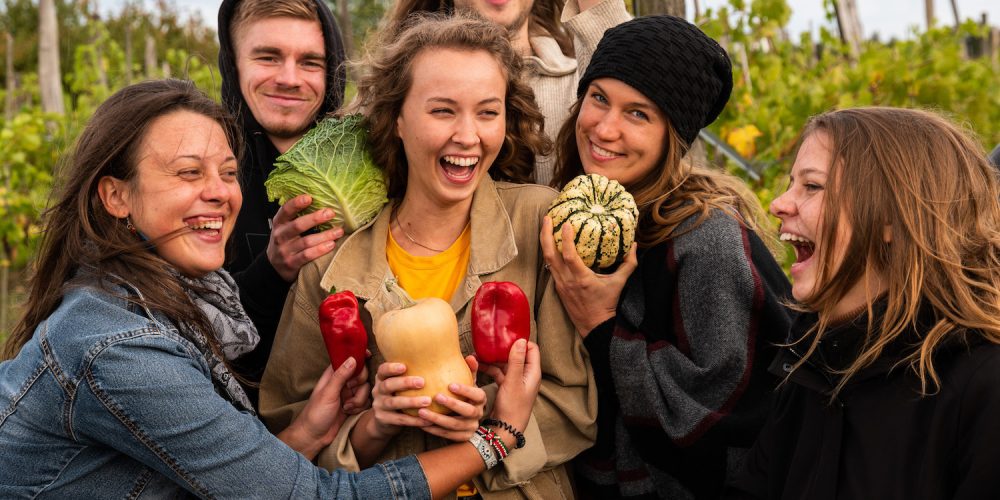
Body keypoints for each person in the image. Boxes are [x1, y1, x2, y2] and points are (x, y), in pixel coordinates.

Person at [0, 79, 543, 499]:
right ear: (116, 196)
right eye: (188, 173)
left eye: (227, 172)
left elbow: (226, 483)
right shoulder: (120, 349)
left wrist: (307, 432)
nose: (220, 193)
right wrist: (496, 437)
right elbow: (316, 497)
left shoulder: (148, 303)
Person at [260, 14, 596, 499]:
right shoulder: (328, 271)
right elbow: (289, 439)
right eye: (442, 111)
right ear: (396, 119)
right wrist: (373, 426)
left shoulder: (541, 223)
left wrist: (487, 422)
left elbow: (577, 406)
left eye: (488, 112)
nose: (468, 135)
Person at [539, 16, 793, 499]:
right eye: (599, 98)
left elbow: (724, 426)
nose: (605, 128)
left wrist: (600, 325)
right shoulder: (569, 208)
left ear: (672, 135)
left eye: (638, 114)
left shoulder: (709, 240)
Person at [726, 107, 1000, 499]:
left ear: (892, 216)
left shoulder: (982, 384)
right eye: (791, 183)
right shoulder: (813, 361)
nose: (779, 204)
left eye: (812, 186)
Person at [217, 0, 347, 400]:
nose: (289, 79)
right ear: (233, 64)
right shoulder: (199, 169)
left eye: (310, 62)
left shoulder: (379, 159)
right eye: (268, 57)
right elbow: (179, 330)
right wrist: (270, 272)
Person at [378, 0, 630, 185]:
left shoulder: (584, 84)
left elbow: (630, 69)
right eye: (443, 110)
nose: (467, 137)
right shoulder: (390, 88)